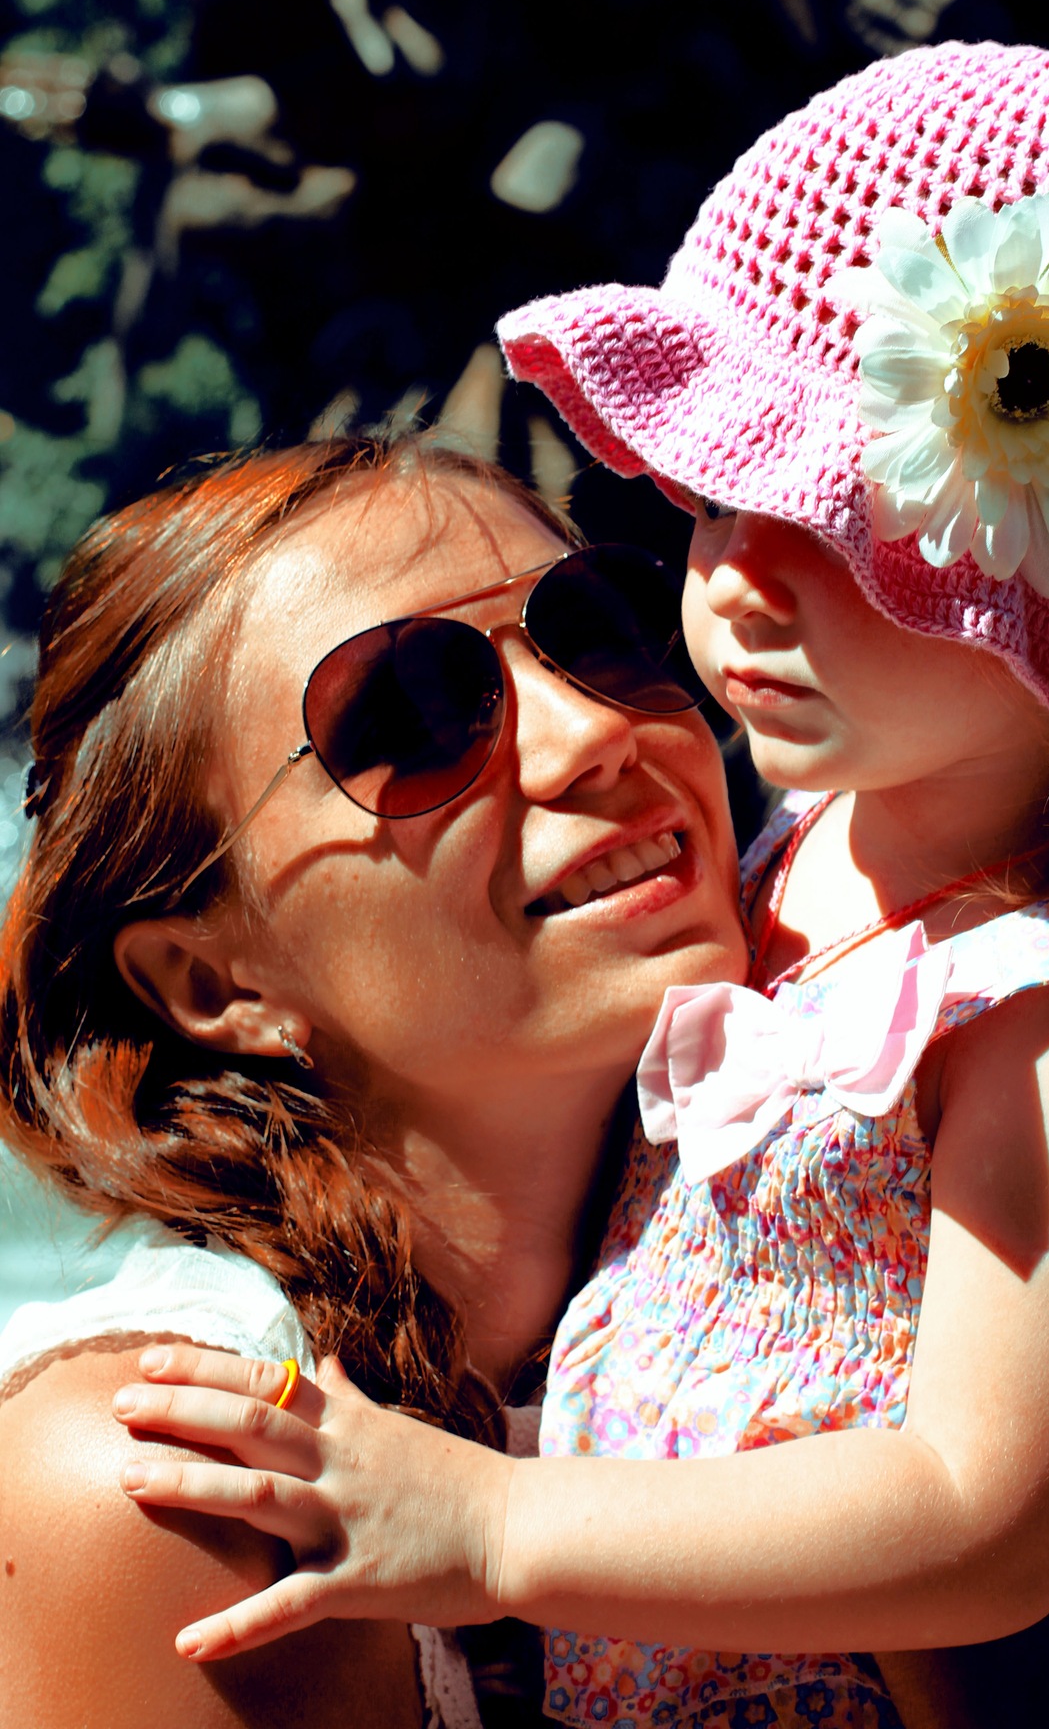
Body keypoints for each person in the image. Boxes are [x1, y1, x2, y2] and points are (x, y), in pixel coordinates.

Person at [110, 43, 1049, 1729]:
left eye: (835, 524)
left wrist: (490, 1525)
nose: (732, 587)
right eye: (708, 503)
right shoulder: (810, 859)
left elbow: (985, 1523)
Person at [0, 434, 747, 1729]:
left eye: (598, 633)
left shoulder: (867, 1272)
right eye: (413, 717)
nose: (595, 736)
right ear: (212, 982)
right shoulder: (173, 1479)